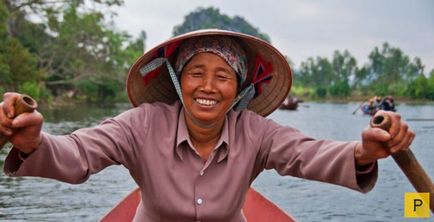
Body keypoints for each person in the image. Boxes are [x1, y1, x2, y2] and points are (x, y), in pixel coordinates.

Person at [0, 29, 415, 221]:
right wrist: (36, 143)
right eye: (196, 72)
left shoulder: (254, 130)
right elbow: (78, 154)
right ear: (179, 83)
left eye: (223, 75)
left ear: (237, 89)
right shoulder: (142, 124)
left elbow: (307, 153)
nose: (209, 86)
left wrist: (364, 153)